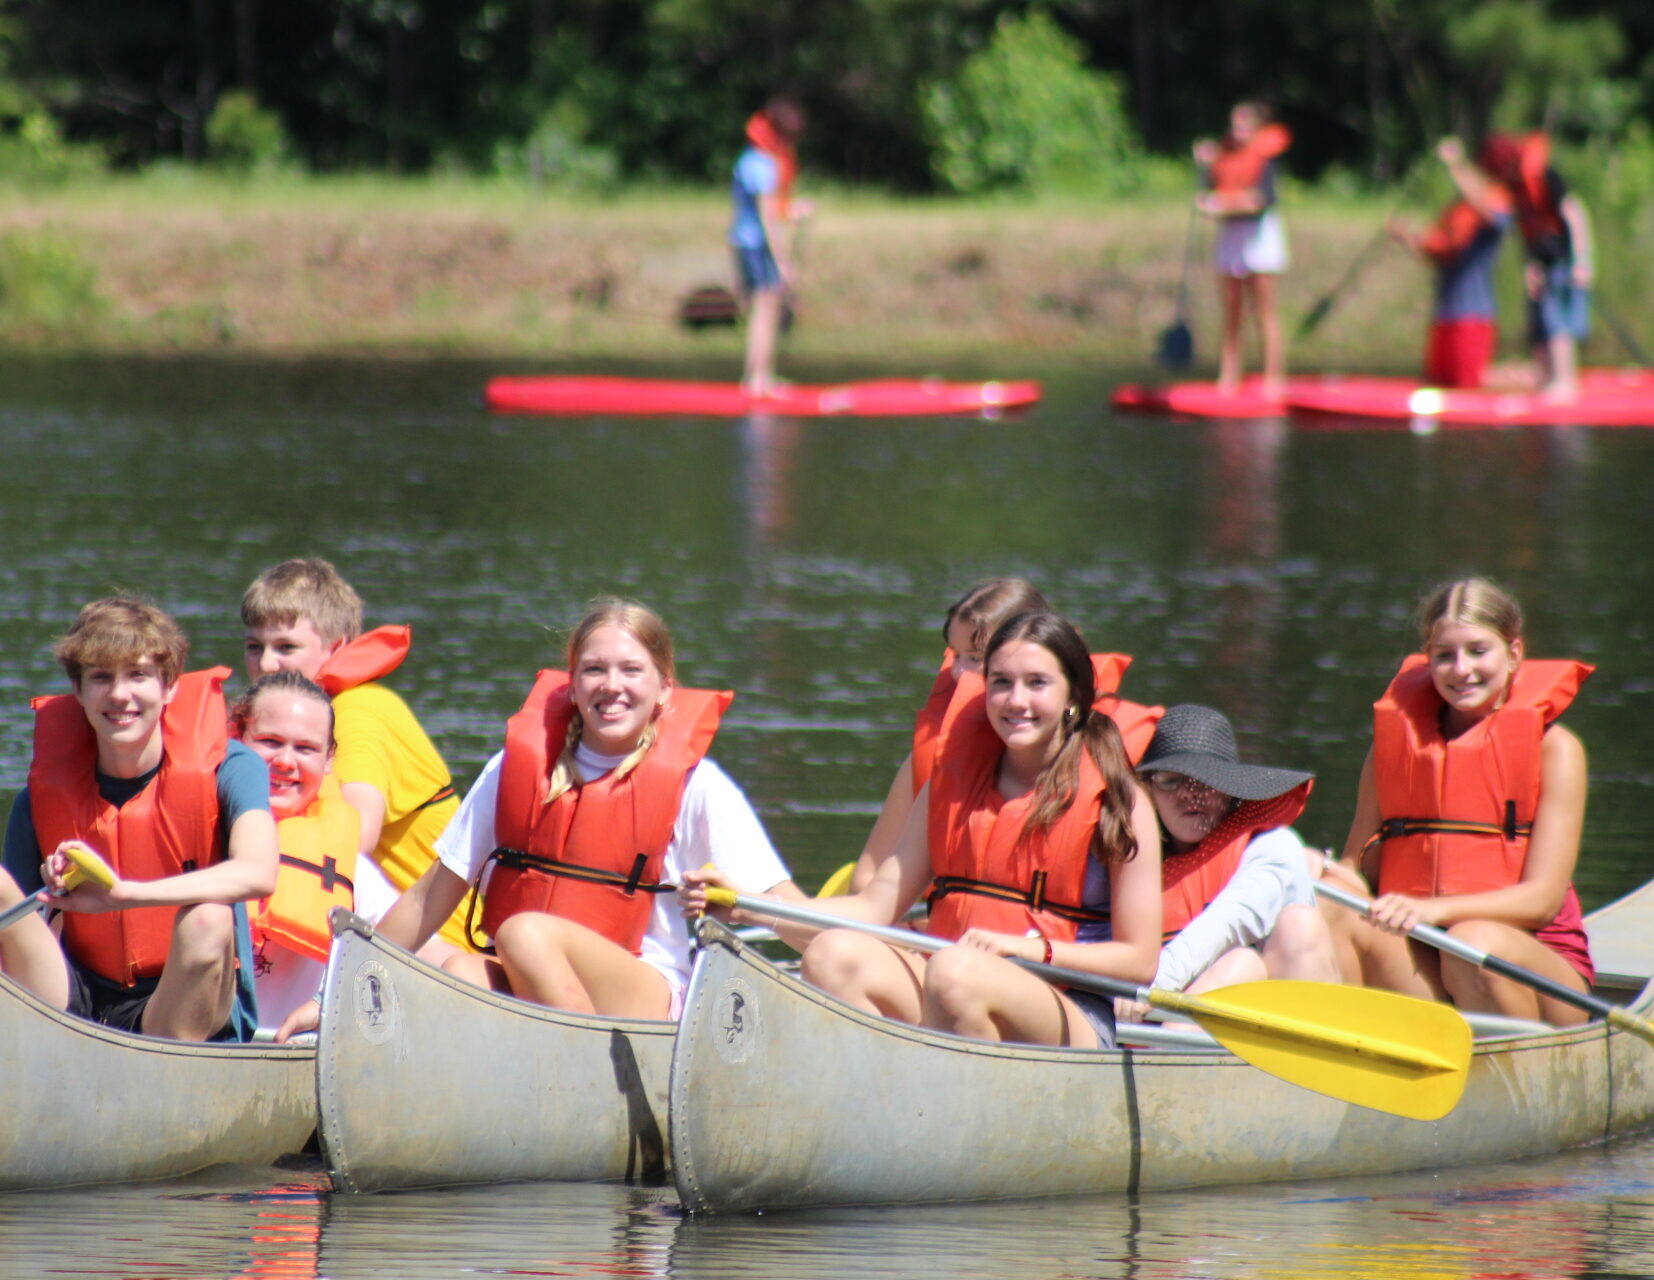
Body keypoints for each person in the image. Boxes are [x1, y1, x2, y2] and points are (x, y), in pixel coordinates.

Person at [277, 597, 801, 1039]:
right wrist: (336, 995)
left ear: (665, 689)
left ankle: (591, 1083)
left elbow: (794, 913)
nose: (611, 686)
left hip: (645, 994)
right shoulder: (515, 769)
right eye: (594, 670)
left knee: (523, 931)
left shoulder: (697, 784)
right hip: (532, 976)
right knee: (458, 971)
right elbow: (428, 898)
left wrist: (740, 902)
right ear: (572, 685)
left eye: (631, 670)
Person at [687, 610, 1163, 1050]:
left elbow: (1139, 961)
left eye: (1037, 683)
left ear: (1073, 697)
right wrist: (750, 907)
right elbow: (873, 907)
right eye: (1001, 683)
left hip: (1069, 1007)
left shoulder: (1121, 800)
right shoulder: (950, 786)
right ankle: (883, 1107)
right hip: (952, 980)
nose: (1016, 701)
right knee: (834, 954)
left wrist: (1027, 948)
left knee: (958, 972)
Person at [1320, 577, 1594, 1025]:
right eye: (1444, 655)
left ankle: (1511, 1081)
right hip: (1425, 955)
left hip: (1536, 969)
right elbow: (1355, 868)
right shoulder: (1392, 750)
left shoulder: (1556, 750)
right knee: (1329, 902)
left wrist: (1435, 910)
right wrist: (1309, 874)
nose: (1461, 670)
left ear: (1514, 654)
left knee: (1472, 942)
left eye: (1477, 651)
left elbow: (1543, 900)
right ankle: (1356, 1059)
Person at [2, 597, 277, 1041]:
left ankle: (170, 1070)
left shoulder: (232, 769)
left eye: (138, 675)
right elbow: (19, 927)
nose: (119, 694)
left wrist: (125, 895)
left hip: (178, 1004)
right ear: (78, 690)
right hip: (72, 996)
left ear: (169, 688)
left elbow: (260, 872)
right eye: (101, 677)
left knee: (209, 918)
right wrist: (49, 890)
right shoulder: (41, 793)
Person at [241, 558, 469, 962]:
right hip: (377, 935)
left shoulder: (356, 712)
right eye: (255, 646)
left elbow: (357, 834)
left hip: (440, 949)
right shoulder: (294, 722)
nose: (266, 664)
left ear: (337, 648)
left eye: (286, 647)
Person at [1115, 704, 1336, 1021]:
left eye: (1207, 781)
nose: (1191, 796)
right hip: (1152, 1019)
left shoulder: (1274, 847)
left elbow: (1228, 924)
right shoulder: (1124, 855)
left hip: (1260, 1021)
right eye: (1170, 781)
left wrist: (1152, 987)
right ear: (1147, 789)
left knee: (1284, 935)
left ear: (1231, 790)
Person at [848, 579, 1052, 894]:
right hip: (934, 932)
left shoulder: (1098, 763)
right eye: (955, 655)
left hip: (1047, 940)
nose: (957, 672)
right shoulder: (934, 759)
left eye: (974, 657)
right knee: (836, 944)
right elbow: (866, 879)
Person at [231, 671, 361, 1034]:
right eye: (270, 741)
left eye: (306, 748)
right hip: (193, 1041)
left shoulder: (352, 871)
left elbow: (421, 957)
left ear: (330, 759)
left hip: (291, 1052)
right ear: (235, 738)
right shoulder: (186, 839)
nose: (286, 762)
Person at [1387, 137, 1513, 389]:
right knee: (1438, 384)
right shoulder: (1459, 212)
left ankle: (1525, 381)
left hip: (1473, 318)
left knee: (1468, 386)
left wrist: (1455, 164)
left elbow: (1485, 208)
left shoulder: (1498, 206)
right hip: (1445, 316)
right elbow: (1437, 252)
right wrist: (1407, 238)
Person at [1478, 133, 1593, 398]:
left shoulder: (1547, 176)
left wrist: (1581, 260)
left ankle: (1565, 383)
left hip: (1565, 259)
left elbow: (1575, 214)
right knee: (1539, 321)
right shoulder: (1517, 186)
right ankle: (1545, 379)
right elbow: (1527, 231)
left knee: (1557, 320)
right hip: (1542, 263)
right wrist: (1531, 266)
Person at [1195, 100, 1291, 397]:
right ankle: (1228, 376)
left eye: (1245, 126)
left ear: (1257, 129)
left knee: (1264, 310)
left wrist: (1222, 204)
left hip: (1259, 234)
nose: (1238, 132)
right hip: (1230, 234)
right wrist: (1203, 168)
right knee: (1232, 311)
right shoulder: (1221, 156)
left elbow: (1260, 200)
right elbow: (1205, 196)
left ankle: (1273, 377)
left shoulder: (1266, 157)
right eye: (1235, 125)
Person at [730, 97, 809, 398]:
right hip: (759, 244)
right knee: (766, 309)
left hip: (743, 241)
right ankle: (759, 380)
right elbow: (767, 219)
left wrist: (793, 210)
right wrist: (783, 262)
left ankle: (759, 376)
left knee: (764, 308)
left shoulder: (748, 160)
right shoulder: (765, 167)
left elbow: (762, 211)